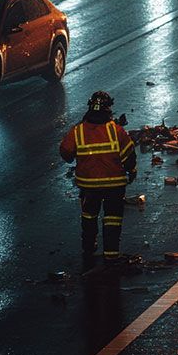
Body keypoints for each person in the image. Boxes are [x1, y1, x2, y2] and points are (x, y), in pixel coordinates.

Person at [59, 91, 137, 265]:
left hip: (88, 186)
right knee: (112, 219)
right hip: (114, 185)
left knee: (89, 216)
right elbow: (129, 155)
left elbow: (65, 153)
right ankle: (111, 255)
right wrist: (132, 171)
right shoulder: (115, 131)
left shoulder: (77, 131)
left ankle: (88, 248)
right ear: (108, 108)